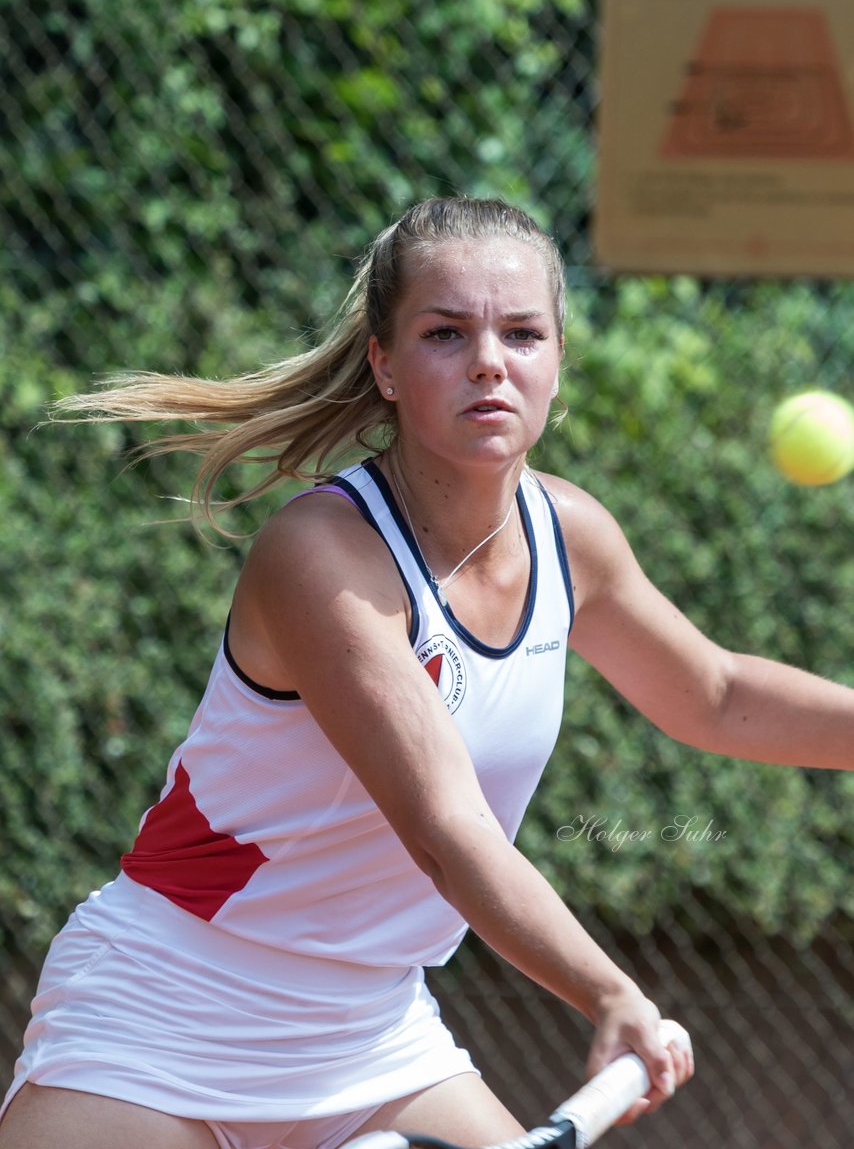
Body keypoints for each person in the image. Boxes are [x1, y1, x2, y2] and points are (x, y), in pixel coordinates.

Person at [1, 196, 851, 1149]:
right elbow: (448, 830)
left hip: (372, 1038)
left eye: (522, 333)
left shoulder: (570, 536)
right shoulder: (322, 555)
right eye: (446, 333)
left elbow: (717, 696)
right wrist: (611, 992)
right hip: (163, 1013)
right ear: (385, 365)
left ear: (557, 359)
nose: (490, 361)